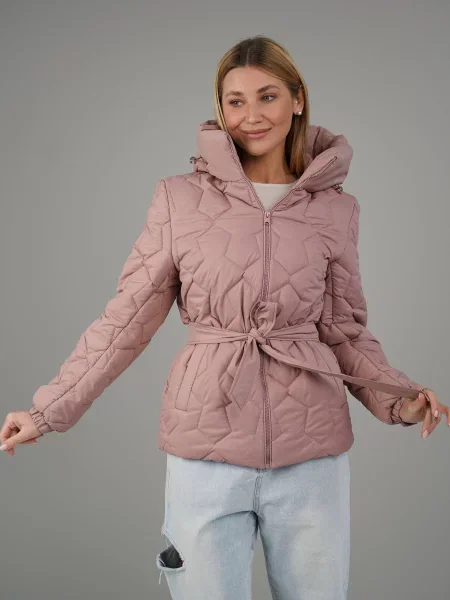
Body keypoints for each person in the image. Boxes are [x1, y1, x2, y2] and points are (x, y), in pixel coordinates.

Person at [1, 35, 448, 599]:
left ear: (298, 99)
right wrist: (47, 410)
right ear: (221, 108)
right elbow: (125, 320)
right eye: (235, 101)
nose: (251, 116)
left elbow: (344, 331)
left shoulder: (336, 209)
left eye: (267, 96)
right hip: (205, 447)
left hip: (312, 454)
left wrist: (399, 399)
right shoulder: (179, 199)